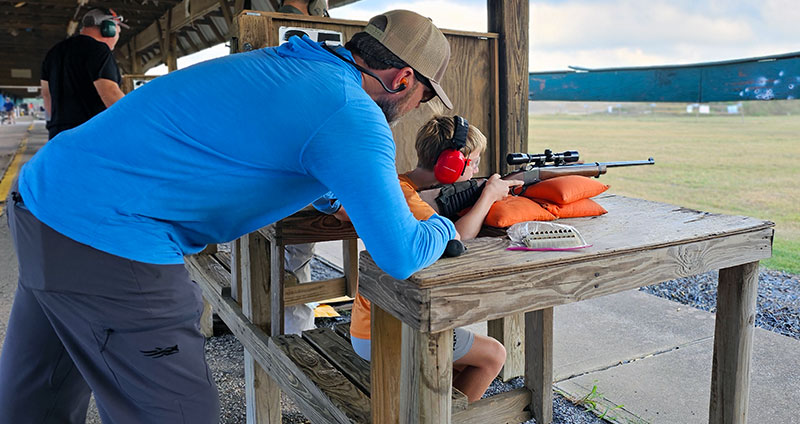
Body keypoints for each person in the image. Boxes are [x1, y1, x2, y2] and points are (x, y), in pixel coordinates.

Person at [1, 9, 456, 423]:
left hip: (41, 201)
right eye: (425, 96)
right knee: (181, 413)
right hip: (110, 237)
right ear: (402, 80)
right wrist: (441, 223)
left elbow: (272, 149)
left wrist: (333, 196)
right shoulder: (353, 112)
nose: (419, 108)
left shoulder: (293, 64)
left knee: (39, 399)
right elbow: (399, 254)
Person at [348, 115, 521, 402]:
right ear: (451, 165)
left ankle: (435, 408)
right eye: (474, 162)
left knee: (456, 364)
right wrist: (488, 195)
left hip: (372, 323)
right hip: (387, 331)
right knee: (493, 355)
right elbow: (457, 238)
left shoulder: (399, 184)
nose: (477, 169)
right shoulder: (405, 195)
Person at [275, 0, 334, 336]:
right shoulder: (303, 35)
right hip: (294, 181)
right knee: (295, 261)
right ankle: (295, 339)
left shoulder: (281, 32)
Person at [40, 8, 127, 139]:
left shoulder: (54, 52)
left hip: (58, 134)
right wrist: (134, 119)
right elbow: (110, 92)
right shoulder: (99, 50)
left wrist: (58, 123)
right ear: (108, 29)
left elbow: (47, 95)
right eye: (117, 30)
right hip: (92, 134)